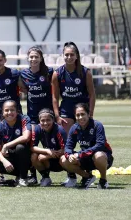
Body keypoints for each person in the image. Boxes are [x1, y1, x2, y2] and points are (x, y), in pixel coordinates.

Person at [51, 41, 96, 185]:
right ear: (62, 56)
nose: (69, 57)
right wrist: (57, 115)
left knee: (86, 142)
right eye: (66, 55)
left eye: (72, 54)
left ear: (77, 56)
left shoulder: (85, 72)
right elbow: (54, 97)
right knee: (66, 143)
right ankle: (71, 176)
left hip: (82, 110)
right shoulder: (57, 73)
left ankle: (87, 171)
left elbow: (92, 94)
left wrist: (91, 114)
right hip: (66, 110)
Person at [18, 46, 54, 185]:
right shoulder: (24, 74)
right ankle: (32, 175)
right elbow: (23, 89)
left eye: (36, 57)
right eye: (31, 57)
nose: (33, 59)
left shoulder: (49, 72)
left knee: (50, 143)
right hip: (32, 115)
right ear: (28, 58)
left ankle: (59, 173)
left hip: (47, 115)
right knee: (31, 144)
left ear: (41, 58)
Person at [60, 103, 113, 189]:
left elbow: (100, 145)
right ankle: (87, 176)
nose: (80, 117)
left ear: (88, 114)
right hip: (85, 158)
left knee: (98, 155)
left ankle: (103, 180)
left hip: (103, 158)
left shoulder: (97, 125)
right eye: (78, 115)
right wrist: (69, 155)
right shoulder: (74, 128)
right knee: (63, 159)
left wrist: (80, 154)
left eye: (82, 114)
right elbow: (68, 147)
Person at [0, 100, 32, 187]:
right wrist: (4, 161)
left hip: (27, 159)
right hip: (11, 159)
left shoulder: (24, 119)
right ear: (2, 112)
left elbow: (26, 137)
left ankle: (23, 178)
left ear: (17, 111)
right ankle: (17, 175)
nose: (9, 112)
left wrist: (6, 145)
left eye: (12, 110)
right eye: (6, 110)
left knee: (20, 147)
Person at [30, 108, 67, 187]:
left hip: (60, 159)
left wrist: (48, 155)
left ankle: (71, 177)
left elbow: (65, 149)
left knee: (65, 157)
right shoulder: (37, 128)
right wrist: (47, 151)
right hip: (50, 159)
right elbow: (32, 147)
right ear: (39, 121)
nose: (45, 123)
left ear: (53, 120)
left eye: (48, 120)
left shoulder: (59, 130)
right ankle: (46, 177)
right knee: (34, 156)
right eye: (42, 120)